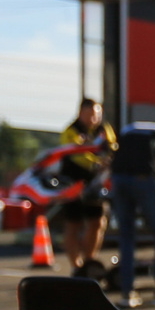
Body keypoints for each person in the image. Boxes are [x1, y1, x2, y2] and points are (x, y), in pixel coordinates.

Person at [108, 119, 155, 307]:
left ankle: (127, 293)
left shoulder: (129, 130)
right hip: (143, 179)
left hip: (118, 179)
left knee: (127, 236)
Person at [57, 98, 116, 279]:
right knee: (73, 224)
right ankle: (76, 266)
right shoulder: (71, 131)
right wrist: (97, 162)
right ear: (81, 113)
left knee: (97, 222)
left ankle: (90, 262)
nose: (94, 118)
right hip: (72, 183)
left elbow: (113, 147)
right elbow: (76, 154)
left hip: (96, 184)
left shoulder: (104, 130)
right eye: (90, 114)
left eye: (97, 114)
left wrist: (109, 160)